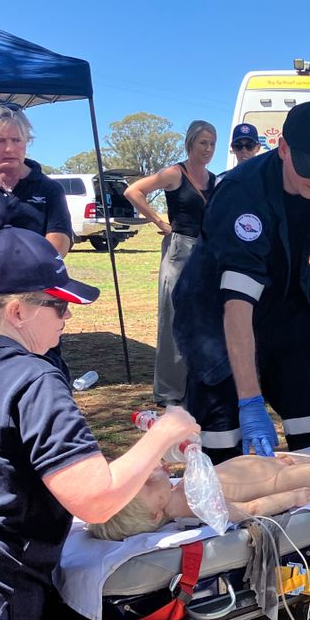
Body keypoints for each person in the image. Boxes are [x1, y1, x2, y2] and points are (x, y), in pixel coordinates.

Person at [0, 226, 200, 620]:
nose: (68, 316)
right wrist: (165, 432)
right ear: (17, 311)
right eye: (57, 305)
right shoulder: (33, 379)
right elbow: (94, 500)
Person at [172, 101, 310, 463]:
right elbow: (237, 306)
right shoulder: (242, 193)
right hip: (217, 313)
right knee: (224, 440)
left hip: (288, 299)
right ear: (284, 148)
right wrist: (249, 400)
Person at [88, 442, 310, 541]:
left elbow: (227, 469)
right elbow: (249, 509)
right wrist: (290, 498)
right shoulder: (194, 505)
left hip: (270, 468)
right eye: (144, 485)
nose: (145, 476)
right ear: (155, 514)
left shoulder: (183, 486)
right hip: (280, 483)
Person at [124, 120, 217, 407]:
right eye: (203, 143)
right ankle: (168, 392)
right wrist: (160, 222)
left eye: (212, 144)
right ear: (190, 143)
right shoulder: (176, 173)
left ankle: (196, 385)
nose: (208, 149)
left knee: (203, 319)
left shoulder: (213, 179)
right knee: (174, 317)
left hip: (206, 252)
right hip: (180, 249)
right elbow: (133, 191)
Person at [0, 102, 72, 255]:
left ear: (27, 140)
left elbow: (59, 243)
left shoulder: (50, 189)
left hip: (37, 269)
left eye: (16, 140)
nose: (9, 149)